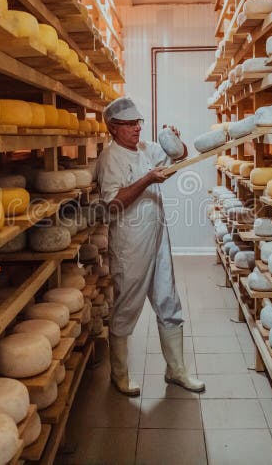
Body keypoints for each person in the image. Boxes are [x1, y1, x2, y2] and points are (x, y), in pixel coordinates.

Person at [96, 97, 205, 396]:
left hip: (157, 237)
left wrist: (177, 142)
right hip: (130, 243)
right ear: (114, 128)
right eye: (130, 124)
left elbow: (179, 157)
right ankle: (119, 375)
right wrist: (146, 179)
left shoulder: (146, 150)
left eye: (138, 122)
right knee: (127, 306)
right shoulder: (110, 159)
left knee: (169, 301)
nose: (137, 128)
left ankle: (177, 370)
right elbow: (113, 204)